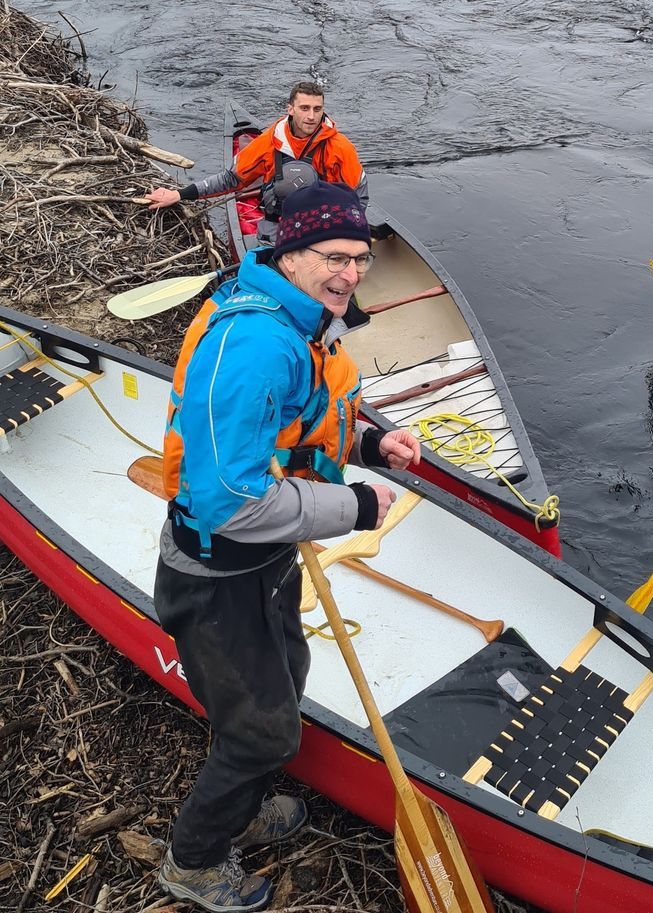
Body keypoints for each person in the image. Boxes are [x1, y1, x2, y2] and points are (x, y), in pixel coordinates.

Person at [154, 181, 420, 912]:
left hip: (264, 562)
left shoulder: (300, 321)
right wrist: (355, 505)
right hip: (215, 575)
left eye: (361, 259)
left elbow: (299, 423)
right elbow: (227, 498)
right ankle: (193, 860)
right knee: (263, 731)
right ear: (291, 253)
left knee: (286, 679)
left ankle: (243, 801)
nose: (350, 274)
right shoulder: (254, 346)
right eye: (335, 257)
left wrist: (369, 443)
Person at [147, 81, 368, 243]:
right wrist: (179, 194)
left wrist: (345, 234)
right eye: (304, 108)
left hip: (322, 223)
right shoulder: (269, 142)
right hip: (278, 221)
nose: (311, 116)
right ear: (290, 109)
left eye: (317, 109)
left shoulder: (340, 148)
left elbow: (359, 196)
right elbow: (232, 179)